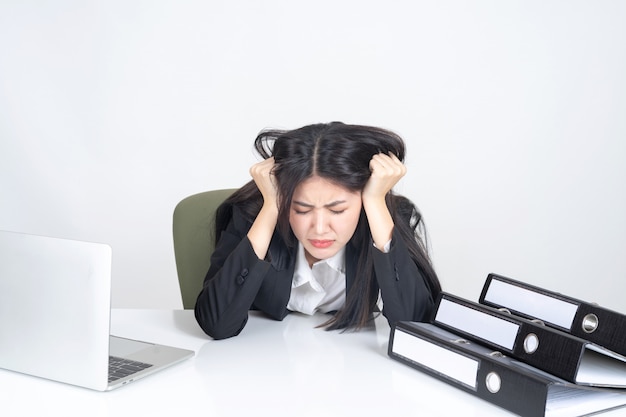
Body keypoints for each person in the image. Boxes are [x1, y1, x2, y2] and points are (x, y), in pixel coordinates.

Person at [194, 122, 442, 339]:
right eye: (302, 210)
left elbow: (415, 325)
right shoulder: (254, 217)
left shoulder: (382, 218)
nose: (320, 228)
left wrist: (376, 203)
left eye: (337, 210)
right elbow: (217, 324)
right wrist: (271, 207)